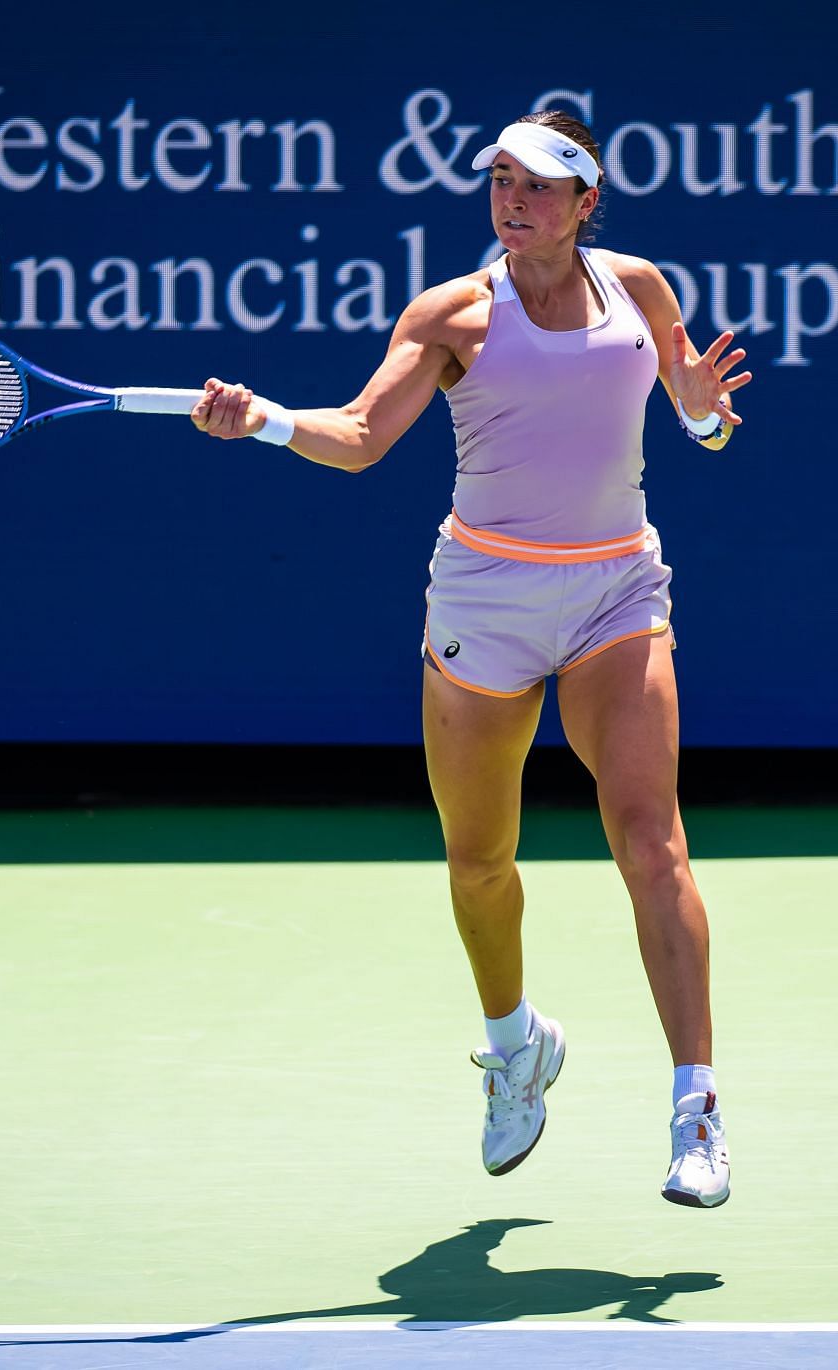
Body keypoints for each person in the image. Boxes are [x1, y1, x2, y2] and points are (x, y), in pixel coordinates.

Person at [190, 110, 751, 1208]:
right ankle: (516, 1045)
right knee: (479, 860)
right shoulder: (456, 313)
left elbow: (698, 410)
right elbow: (357, 437)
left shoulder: (639, 288)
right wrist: (260, 420)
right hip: (485, 599)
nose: (514, 199)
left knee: (652, 841)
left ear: (588, 202)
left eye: (539, 183)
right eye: (501, 180)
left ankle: (697, 1108)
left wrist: (703, 419)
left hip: (615, 592)